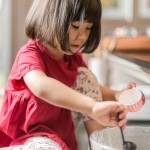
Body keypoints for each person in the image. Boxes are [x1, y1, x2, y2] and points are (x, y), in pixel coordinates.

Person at [0, 0, 142, 149]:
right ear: (50, 18)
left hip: (59, 134)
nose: (82, 36)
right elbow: (40, 86)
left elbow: (92, 87)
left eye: (88, 28)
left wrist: (117, 95)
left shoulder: (72, 56)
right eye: (76, 27)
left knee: (85, 77)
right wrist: (92, 107)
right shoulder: (29, 54)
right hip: (27, 137)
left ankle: (101, 144)